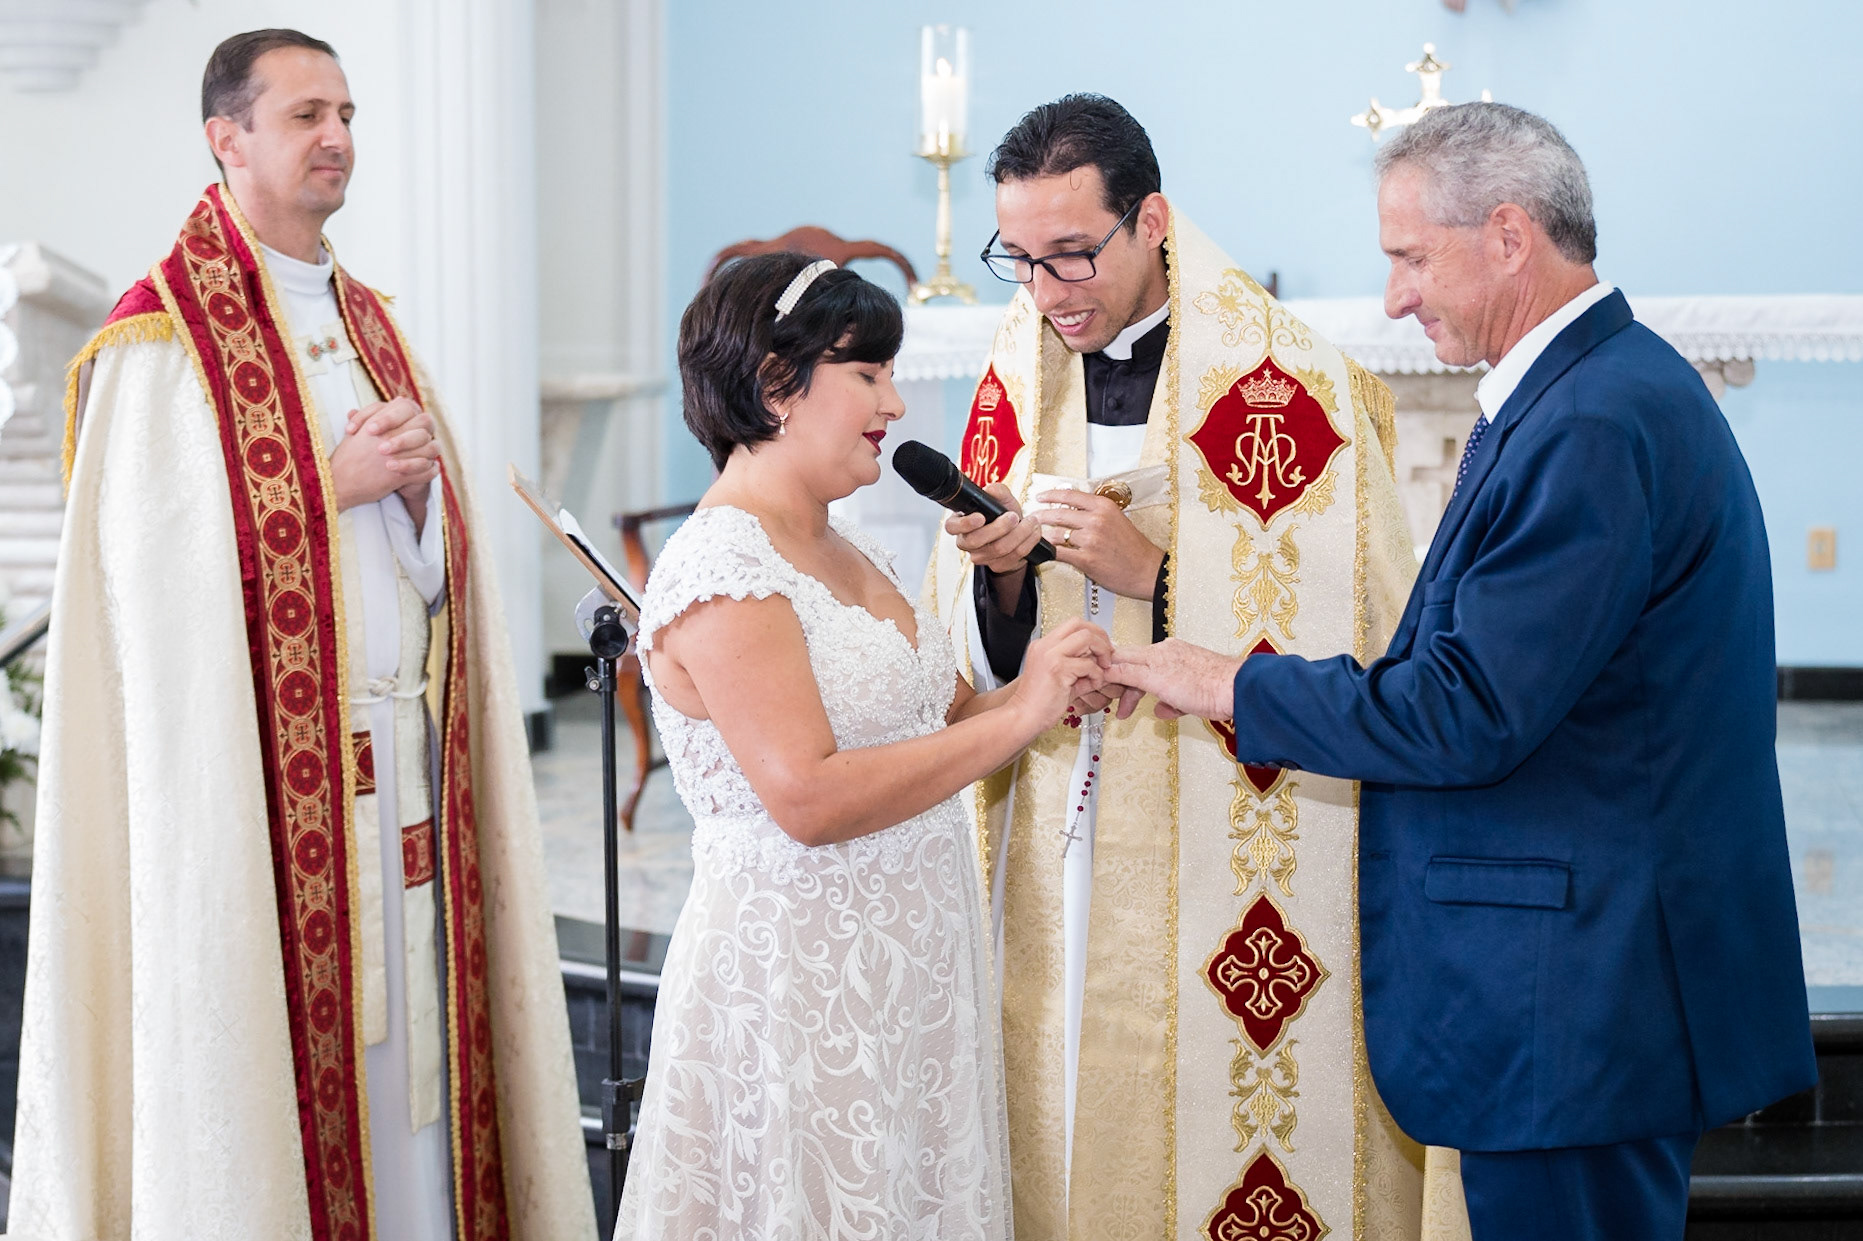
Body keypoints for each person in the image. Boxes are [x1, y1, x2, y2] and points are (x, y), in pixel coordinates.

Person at [1108, 101, 1819, 1241]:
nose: (1395, 296)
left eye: (1409, 258)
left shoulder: (1592, 420)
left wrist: (1235, 682)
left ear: (1506, 236)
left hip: (1579, 988)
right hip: (1586, 974)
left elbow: (1469, 708)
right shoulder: (1597, 390)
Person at [12, 29, 594, 1240]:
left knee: (417, 1107)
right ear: (227, 139)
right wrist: (322, 487)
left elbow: (439, 571)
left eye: (346, 113)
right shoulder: (160, 339)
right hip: (260, 803)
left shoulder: (370, 321)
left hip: (402, 774)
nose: (336, 137)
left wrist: (429, 505)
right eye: (303, 116)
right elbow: (144, 592)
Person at [924, 94, 1465, 1241]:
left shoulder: (1293, 384)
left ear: (1152, 219)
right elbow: (967, 647)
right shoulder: (1012, 373)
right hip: (1060, 839)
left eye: (1073, 254)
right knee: (1067, 1087)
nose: (1048, 291)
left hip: (1231, 834)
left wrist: (1156, 576)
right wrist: (1004, 576)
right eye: (1017, 260)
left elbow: (1356, 628)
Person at [612, 253, 1110, 1240]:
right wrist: (1022, 715)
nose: (892, 402)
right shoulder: (720, 564)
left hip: (908, 964)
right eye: (868, 374)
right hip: (799, 977)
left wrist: (1031, 643)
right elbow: (808, 794)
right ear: (773, 386)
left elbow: (950, 719)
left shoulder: (853, 546)